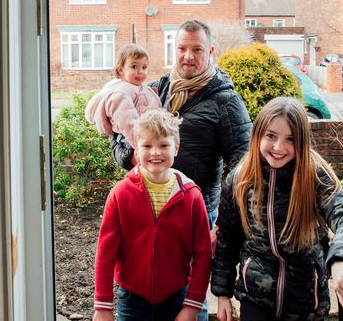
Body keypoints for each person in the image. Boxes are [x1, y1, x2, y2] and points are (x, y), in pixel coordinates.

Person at [211, 97, 343, 321]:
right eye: (271, 136)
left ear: (302, 141)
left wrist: (340, 260)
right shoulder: (240, 179)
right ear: (257, 136)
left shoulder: (314, 175)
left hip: (306, 298)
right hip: (255, 297)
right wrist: (222, 293)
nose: (279, 147)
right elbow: (227, 239)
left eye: (290, 139)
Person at [110, 20, 252, 224]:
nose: (188, 56)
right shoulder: (153, 91)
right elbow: (116, 138)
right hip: (150, 206)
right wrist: (131, 156)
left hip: (196, 213)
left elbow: (244, 168)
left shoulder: (226, 102)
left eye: (197, 49)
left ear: (210, 51)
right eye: (182, 48)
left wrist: (223, 225)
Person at [93, 109, 211, 321]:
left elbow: (203, 255)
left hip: (177, 298)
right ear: (137, 151)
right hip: (132, 300)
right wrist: (103, 306)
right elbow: (105, 253)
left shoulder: (192, 196)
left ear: (176, 147)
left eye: (163, 145)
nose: (155, 152)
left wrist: (192, 306)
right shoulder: (120, 194)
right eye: (147, 146)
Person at [85, 44, 161, 149]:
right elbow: (128, 123)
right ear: (121, 70)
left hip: (145, 137)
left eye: (144, 67)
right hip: (131, 140)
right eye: (134, 66)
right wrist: (143, 148)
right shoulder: (121, 93)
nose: (140, 71)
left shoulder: (138, 87)